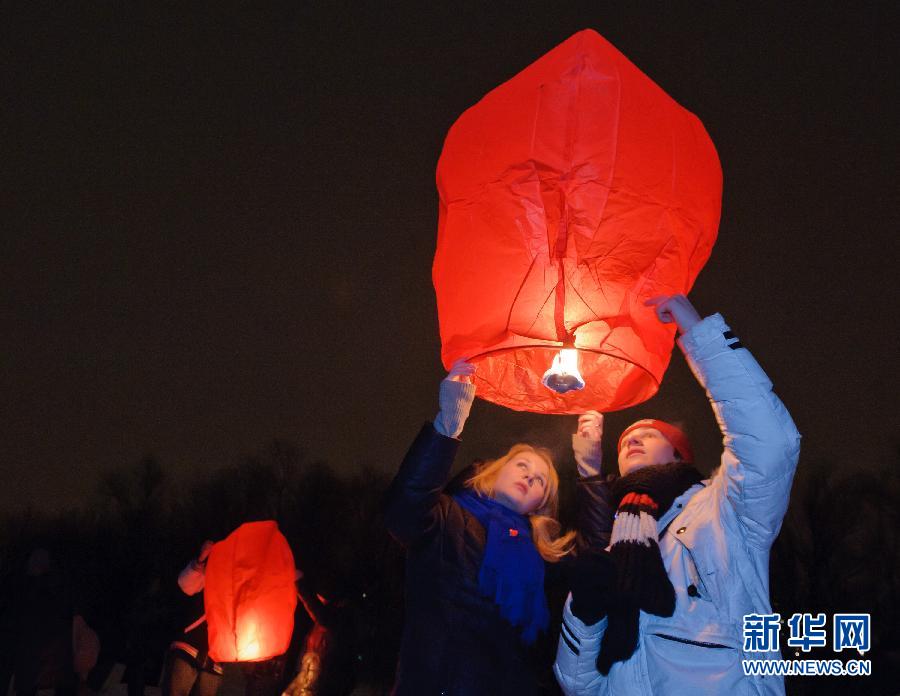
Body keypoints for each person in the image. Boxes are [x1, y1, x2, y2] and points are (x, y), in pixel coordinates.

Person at [554, 294, 801, 695]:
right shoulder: (614, 540)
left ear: (679, 454)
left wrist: (700, 334)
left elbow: (770, 444)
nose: (632, 440)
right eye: (626, 440)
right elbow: (579, 686)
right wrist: (583, 614)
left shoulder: (724, 509)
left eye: (648, 435)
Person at [383, 361, 576, 695]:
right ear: (495, 471)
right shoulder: (448, 516)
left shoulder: (543, 559)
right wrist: (448, 423)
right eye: (522, 465)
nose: (530, 476)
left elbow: (598, 574)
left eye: (541, 480)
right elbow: (404, 511)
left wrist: (591, 474)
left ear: (540, 504)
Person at [161, 541, 222, 696]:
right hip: (189, 645)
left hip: (216, 656)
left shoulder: (241, 584)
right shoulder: (210, 572)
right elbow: (185, 584)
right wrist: (201, 560)